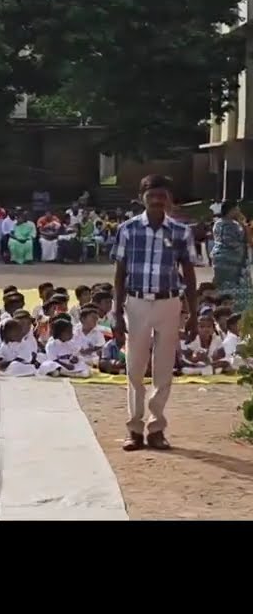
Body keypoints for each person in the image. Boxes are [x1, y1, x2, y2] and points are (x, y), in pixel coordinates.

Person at [112, 174, 197, 452]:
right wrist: (116, 312)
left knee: (163, 369)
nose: (158, 200)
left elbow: (189, 273)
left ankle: (156, 428)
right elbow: (120, 273)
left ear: (169, 198)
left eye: (162, 195)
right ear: (142, 198)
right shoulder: (128, 229)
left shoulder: (181, 231)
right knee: (134, 368)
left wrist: (193, 313)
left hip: (169, 303)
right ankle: (134, 430)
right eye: (152, 196)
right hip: (136, 304)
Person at [208, 201, 250, 313]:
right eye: (237, 209)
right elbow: (247, 240)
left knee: (222, 288)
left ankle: (221, 311)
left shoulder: (217, 224)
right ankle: (236, 313)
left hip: (218, 260)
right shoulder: (235, 225)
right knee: (236, 290)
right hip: (233, 262)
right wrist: (243, 223)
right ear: (231, 210)